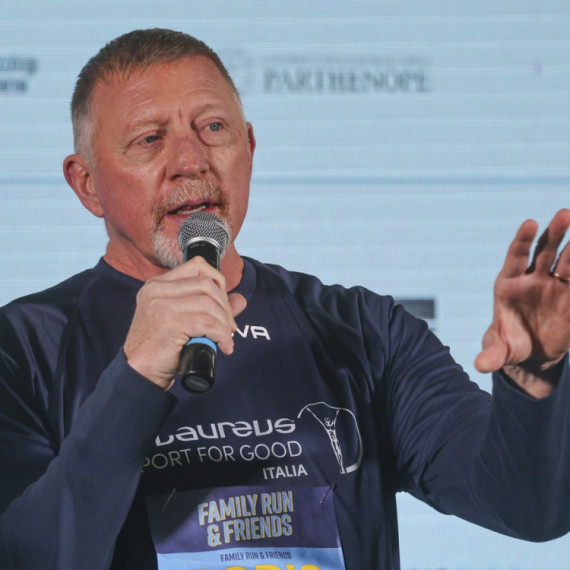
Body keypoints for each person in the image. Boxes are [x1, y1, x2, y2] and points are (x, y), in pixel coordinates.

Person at [0, 28, 569, 570]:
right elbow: (26, 556)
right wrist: (136, 378)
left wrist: (535, 382)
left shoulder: (363, 331)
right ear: (87, 184)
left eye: (213, 128)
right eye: (150, 139)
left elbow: (529, 507)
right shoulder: (23, 346)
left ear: (248, 148)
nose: (191, 161)